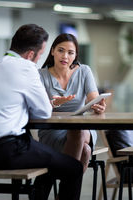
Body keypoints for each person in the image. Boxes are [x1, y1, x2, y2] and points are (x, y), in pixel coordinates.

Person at [0, 24, 83, 200]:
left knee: (50, 159)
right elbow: (44, 112)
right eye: (40, 54)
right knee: (73, 168)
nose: (38, 60)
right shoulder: (26, 67)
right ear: (31, 54)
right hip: (8, 151)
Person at [39, 33, 106, 172]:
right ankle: (68, 190)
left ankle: (64, 186)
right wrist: (55, 103)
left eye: (70, 53)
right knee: (85, 150)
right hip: (52, 130)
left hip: (82, 128)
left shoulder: (84, 71)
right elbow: (39, 107)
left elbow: (94, 98)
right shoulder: (41, 75)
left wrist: (98, 106)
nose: (65, 57)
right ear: (52, 51)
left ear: (75, 56)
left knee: (78, 131)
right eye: (61, 50)